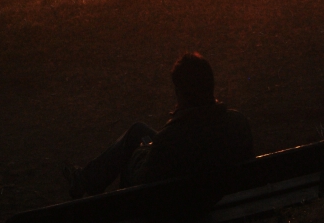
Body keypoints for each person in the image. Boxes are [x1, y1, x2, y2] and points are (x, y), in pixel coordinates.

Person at [61, 52, 253, 198]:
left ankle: (86, 182)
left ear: (180, 92)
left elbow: (140, 179)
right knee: (138, 131)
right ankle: (85, 180)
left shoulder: (171, 138)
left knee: (136, 142)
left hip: (176, 209)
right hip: (220, 200)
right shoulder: (237, 122)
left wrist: (143, 152)